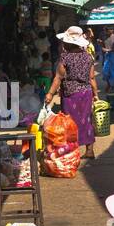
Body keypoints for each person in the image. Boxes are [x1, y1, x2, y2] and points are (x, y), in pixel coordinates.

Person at [44, 26, 99, 160]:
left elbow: (58, 78)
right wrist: (96, 94)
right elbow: (92, 78)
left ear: (68, 43)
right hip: (86, 93)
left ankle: (70, 151)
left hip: (70, 95)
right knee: (86, 120)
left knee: (69, 123)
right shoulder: (88, 57)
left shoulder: (65, 58)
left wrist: (50, 94)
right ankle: (90, 150)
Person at [100, 29, 114, 94]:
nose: (110, 31)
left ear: (112, 30)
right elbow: (102, 47)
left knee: (113, 72)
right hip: (106, 55)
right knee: (105, 72)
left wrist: (111, 50)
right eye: (108, 30)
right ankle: (109, 84)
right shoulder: (104, 37)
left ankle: (111, 86)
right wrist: (104, 49)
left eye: (111, 29)